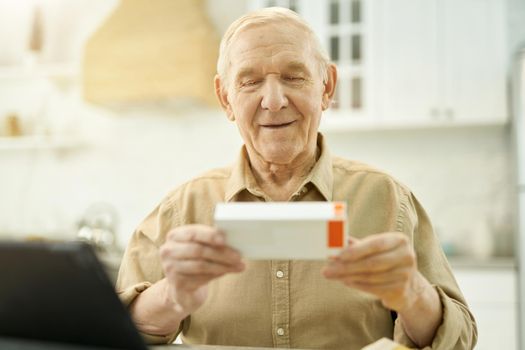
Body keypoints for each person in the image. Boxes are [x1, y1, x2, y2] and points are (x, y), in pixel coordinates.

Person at [116, 7, 477, 350]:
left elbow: (461, 338)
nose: (273, 100)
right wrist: (171, 296)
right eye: (250, 81)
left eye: (293, 76)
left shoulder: (386, 198)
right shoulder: (182, 209)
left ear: (327, 87)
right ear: (225, 98)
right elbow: (112, 332)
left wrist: (414, 294)